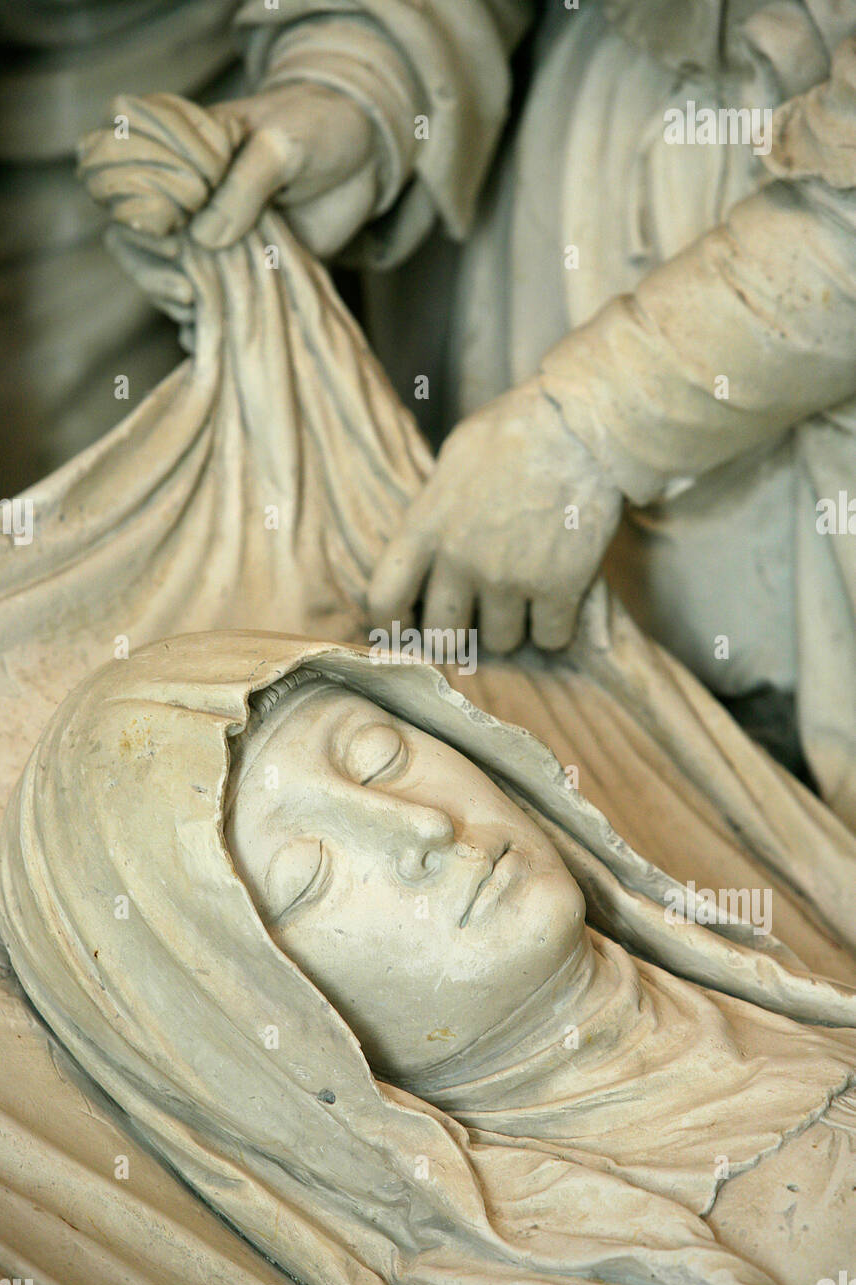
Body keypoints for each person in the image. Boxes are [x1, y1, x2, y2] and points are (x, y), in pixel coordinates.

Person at [91, 0, 856, 823]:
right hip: (565, 167)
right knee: (579, 767)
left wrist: (588, 426)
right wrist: (355, 88)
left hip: (804, 297)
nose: (420, 834)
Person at [0, 630, 856, 1285]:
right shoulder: (618, 1265)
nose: (420, 829)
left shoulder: (792, 1011)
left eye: (379, 755)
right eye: (306, 881)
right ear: (257, 1048)